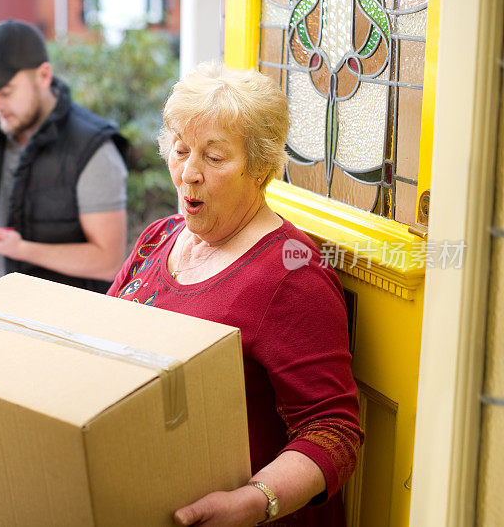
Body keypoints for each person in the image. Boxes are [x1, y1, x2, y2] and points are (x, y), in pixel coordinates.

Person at [108, 62, 363, 526]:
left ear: (261, 167)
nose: (189, 174)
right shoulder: (156, 238)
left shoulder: (292, 274)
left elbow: (334, 432)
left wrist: (254, 501)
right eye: (181, 150)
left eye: (214, 157)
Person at [0, 20, 129, 295]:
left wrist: (21, 249)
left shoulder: (94, 148)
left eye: (5, 92)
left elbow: (108, 262)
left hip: (56, 326)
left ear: (43, 76)